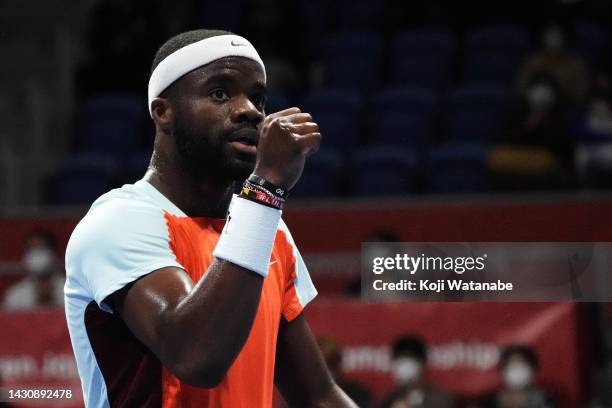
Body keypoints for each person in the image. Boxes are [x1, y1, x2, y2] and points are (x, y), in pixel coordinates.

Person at [64, 29, 357, 407]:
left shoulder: (270, 230)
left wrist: (261, 202)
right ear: (163, 111)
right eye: (220, 93)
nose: (250, 110)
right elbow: (196, 357)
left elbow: (319, 396)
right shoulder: (119, 220)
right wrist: (265, 190)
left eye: (257, 97)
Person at [380, 335, 453, 408]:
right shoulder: (390, 399)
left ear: (422, 361)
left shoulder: (439, 399)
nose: (403, 366)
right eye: (399, 360)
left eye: (409, 358)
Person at [475, 345, 555, 408]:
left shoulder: (542, 400)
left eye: (521, 364)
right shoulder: (491, 400)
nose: (516, 368)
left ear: (531, 369)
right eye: (512, 365)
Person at [3, 229, 64, 310]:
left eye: (41, 248)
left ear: (53, 252)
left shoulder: (72, 290)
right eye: (33, 249)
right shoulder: (15, 295)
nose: (37, 254)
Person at [318, 336, 374, 408]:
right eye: (321, 367)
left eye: (331, 366)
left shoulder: (357, 395)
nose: (327, 373)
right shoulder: (304, 397)